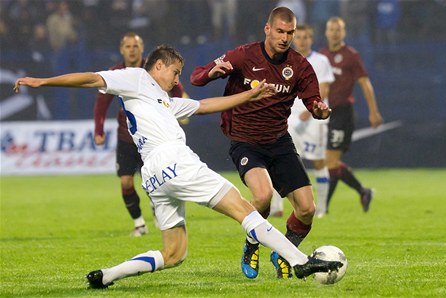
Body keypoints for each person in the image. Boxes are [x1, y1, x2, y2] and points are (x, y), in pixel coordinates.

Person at [14, 45, 342, 289]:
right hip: (174, 159)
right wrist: (44, 82)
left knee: (174, 254)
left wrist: (247, 99)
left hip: (155, 176)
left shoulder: (162, 100)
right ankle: (299, 261)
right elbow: (91, 78)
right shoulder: (137, 78)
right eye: (175, 72)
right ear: (159, 65)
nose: (176, 79)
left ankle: (108, 276)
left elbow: (204, 105)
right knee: (246, 208)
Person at [190, 7, 332, 279]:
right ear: (267, 29)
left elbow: (313, 100)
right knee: (263, 196)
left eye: (290, 33)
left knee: (306, 209)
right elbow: (196, 76)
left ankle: (285, 250)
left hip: (279, 141)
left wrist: (320, 110)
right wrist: (212, 73)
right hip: (245, 141)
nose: (285, 38)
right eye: (280, 31)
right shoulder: (244, 55)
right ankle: (252, 243)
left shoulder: (299, 65)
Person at [93, 32, 187, 237]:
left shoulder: (153, 69)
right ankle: (139, 224)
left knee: (155, 182)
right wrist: (98, 130)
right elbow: (102, 103)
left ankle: (159, 210)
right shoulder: (116, 72)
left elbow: (177, 89)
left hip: (152, 140)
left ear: (142, 48)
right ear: (121, 50)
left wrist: (175, 109)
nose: (132, 50)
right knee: (126, 182)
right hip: (126, 138)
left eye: (135, 46)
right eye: (127, 46)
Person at [319, 17, 383, 213]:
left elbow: (365, 83)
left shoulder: (351, 55)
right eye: (331, 29)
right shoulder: (321, 56)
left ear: (344, 33)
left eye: (338, 30)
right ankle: (363, 191)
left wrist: (373, 111)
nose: (335, 33)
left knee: (330, 161)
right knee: (330, 163)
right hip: (325, 114)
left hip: (342, 113)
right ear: (326, 32)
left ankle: (323, 207)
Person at [270, 24, 335, 219]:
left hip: (314, 120)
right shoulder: (284, 60)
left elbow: (324, 87)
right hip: (288, 118)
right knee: (279, 160)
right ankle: (276, 206)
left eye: (306, 37)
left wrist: (313, 107)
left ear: (311, 39)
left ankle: (322, 207)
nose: (302, 40)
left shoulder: (321, 60)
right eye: (298, 37)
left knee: (317, 161)